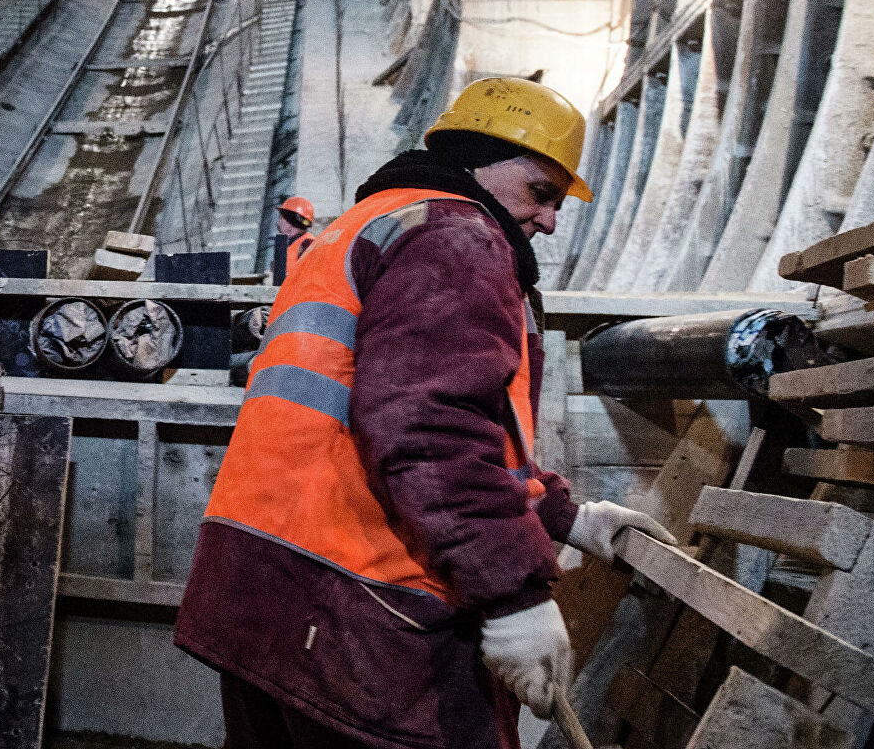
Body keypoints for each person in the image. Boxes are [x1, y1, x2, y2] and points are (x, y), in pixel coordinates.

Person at [175, 77, 676, 749]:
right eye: (541, 192)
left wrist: (565, 518)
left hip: (264, 590)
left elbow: (429, 419)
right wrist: (514, 596)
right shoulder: (457, 236)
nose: (551, 219)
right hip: (362, 607)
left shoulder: (363, 227)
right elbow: (430, 431)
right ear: (477, 164)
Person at [272, 195, 315, 283]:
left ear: (290, 222)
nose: (279, 222)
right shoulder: (290, 243)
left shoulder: (307, 244)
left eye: (281, 218)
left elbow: (306, 279)